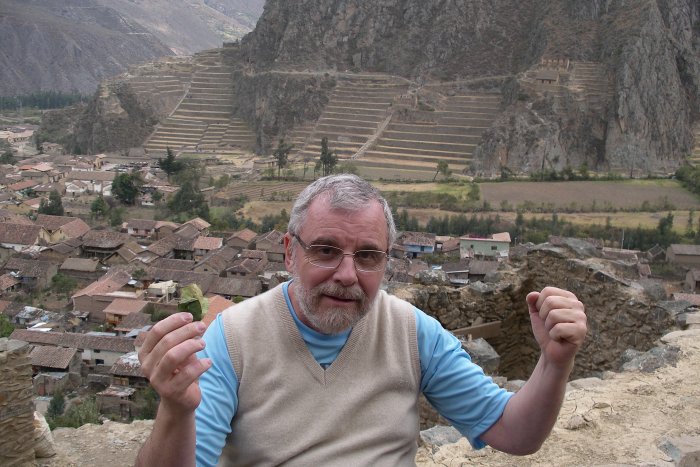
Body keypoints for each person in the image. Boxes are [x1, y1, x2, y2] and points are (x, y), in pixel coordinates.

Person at [136, 174, 587, 466]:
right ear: (290, 253)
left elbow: (516, 432)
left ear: (387, 261)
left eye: (368, 256)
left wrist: (555, 362)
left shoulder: (412, 333)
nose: (347, 275)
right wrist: (176, 409)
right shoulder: (233, 339)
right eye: (326, 250)